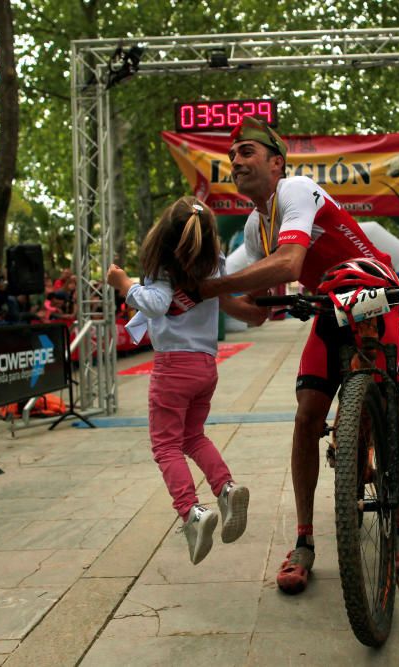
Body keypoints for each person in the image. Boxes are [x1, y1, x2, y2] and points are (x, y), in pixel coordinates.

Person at [197, 116, 399, 594]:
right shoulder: (257, 226)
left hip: (375, 294)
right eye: (232, 155)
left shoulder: (295, 189)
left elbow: (289, 264)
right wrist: (205, 293)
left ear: (276, 163)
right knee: (305, 418)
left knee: (395, 416)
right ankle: (303, 539)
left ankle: (397, 527)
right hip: (330, 303)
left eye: (247, 153)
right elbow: (255, 314)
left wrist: (214, 284)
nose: (236, 160)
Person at [106, 196, 268, 565]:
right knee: (193, 436)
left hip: (172, 367)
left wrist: (125, 284)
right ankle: (226, 489)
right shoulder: (215, 263)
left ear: (163, 235)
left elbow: (157, 303)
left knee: (165, 446)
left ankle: (192, 512)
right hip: (206, 366)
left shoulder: (163, 267)